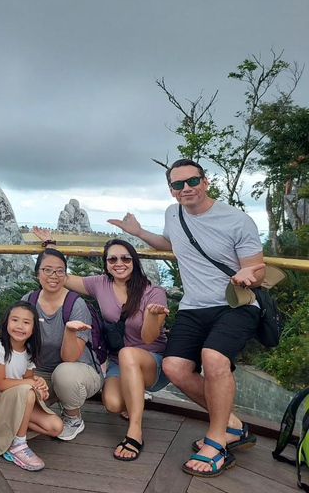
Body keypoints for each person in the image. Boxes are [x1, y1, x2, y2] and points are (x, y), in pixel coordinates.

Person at [108, 158, 265, 477]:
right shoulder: (173, 214)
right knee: (174, 367)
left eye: (192, 181)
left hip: (236, 303)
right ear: (171, 190)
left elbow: (258, 271)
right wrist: (138, 233)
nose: (186, 189)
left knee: (214, 358)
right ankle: (232, 426)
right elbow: (172, 244)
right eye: (178, 185)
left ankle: (217, 442)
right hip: (194, 306)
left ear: (205, 182)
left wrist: (248, 274)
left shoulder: (237, 220)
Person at [33, 228, 169, 460]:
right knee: (113, 404)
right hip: (119, 363)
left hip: (151, 362)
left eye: (125, 258)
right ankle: (132, 398)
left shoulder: (153, 292)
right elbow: (57, 277)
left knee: (129, 353)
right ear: (106, 264)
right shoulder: (101, 285)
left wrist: (152, 316)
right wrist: (50, 247)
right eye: (112, 259)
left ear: (134, 261)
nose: (119, 263)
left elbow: (147, 339)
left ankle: (135, 432)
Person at [21, 248, 103, 441]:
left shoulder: (76, 305)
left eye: (59, 271)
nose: (53, 276)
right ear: (37, 273)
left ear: (65, 276)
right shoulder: (28, 301)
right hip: (40, 374)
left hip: (79, 373)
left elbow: (70, 358)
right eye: (47, 270)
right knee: (15, 402)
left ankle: (72, 417)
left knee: (64, 373)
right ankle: (47, 411)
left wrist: (70, 331)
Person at [0, 301, 63, 471]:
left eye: (26, 322)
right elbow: (1, 384)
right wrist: (31, 385)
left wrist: (39, 386)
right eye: (15, 320)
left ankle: (11, 428)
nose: (19, 326)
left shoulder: (29, 350)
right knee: (27, 392)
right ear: (6, 322)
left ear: (33, 329)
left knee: (56, 427)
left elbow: (28, 381)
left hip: (15, 401)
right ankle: (18, 445)